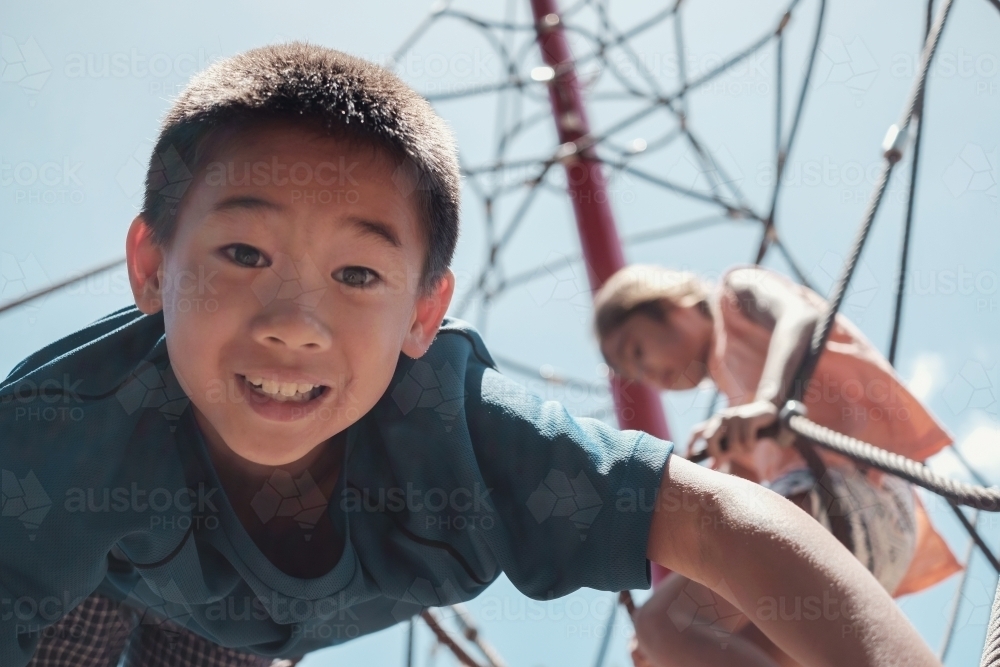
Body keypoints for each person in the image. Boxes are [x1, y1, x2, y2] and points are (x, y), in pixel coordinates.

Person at [0, 44, 941, 667]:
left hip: (239, 638)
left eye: (359, 273)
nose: (296, 321)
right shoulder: (64, 436)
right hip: (113, 578)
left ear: (425, 315)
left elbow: (717, 523)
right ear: (153, 267)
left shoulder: (457, 431)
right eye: (245, 254)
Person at [594, 264, 961, 667]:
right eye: (635, 376)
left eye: (638, 352)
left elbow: (800, 316)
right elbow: (736, 513)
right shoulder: (736, 407)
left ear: (671, 304)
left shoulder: (736, 296)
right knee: (718, 644)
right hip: (863, 535)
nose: (648, 376)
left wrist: (769, 400)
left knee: (666, 624)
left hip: (849, 494)